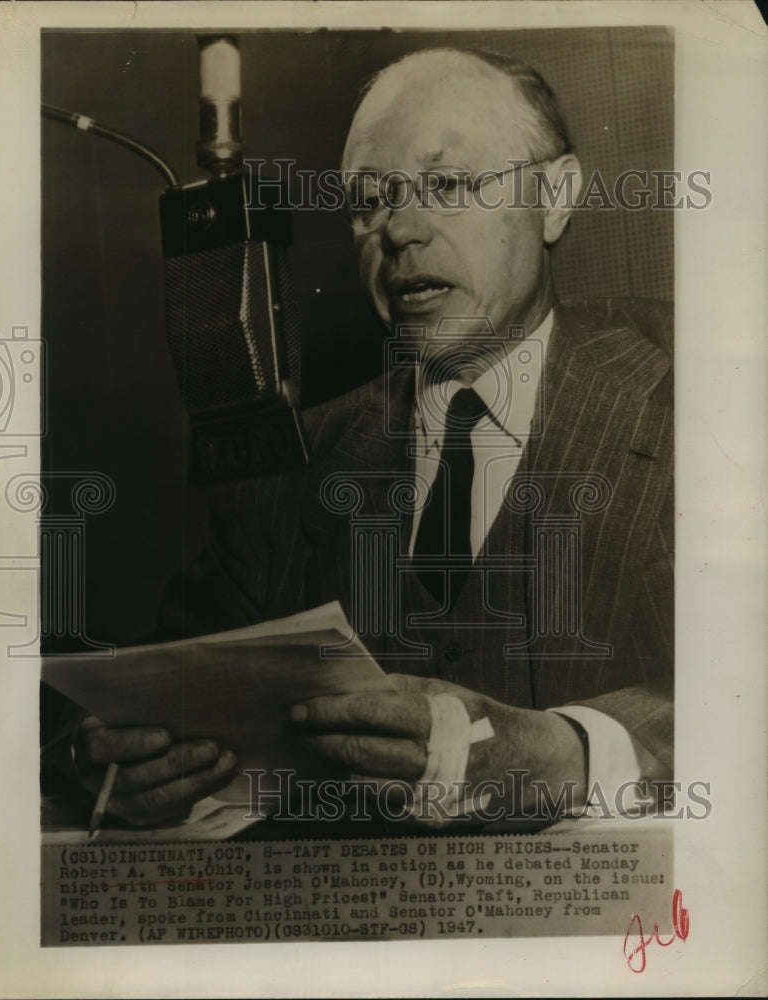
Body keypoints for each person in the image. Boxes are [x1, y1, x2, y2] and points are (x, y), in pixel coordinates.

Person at [59, 47, 673, 828]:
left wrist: (570, 755)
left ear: (555, 197)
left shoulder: (703, 400)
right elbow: (136, 689)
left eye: (447, 185)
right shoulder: (290, 465)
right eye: (369, 201)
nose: (401, 232)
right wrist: (98, 753)